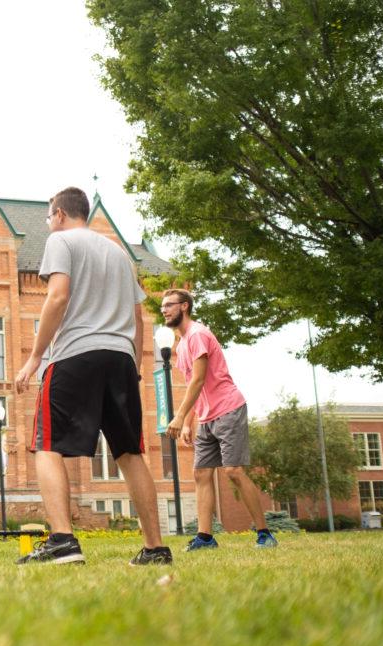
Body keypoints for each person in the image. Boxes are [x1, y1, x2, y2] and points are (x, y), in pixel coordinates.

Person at [15, 187, 172, 566]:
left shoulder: (62, 241)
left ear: (60, 214)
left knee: (47, 445)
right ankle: (155, 548)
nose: (49, 223)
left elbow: (58, 296)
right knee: (129, 453)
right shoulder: (119, 254)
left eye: (49, 216)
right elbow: (137, 318)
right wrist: (132, 366)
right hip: (120, 358)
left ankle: (63, 541)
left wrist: (35, 356)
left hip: (75, 354)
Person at [161, 288, 278, 550]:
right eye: (162, 307)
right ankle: (205, 538)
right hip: (206, 416)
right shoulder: (181, 345)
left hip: (228, 409)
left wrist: (179, 416)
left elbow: (200, 378)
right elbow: (195, 385)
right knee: (201, 473)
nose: (165, 310)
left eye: (170, 305)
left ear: (185, 307)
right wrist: (190, 420)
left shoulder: (198, 335)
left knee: (234, 471)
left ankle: (264, 534)